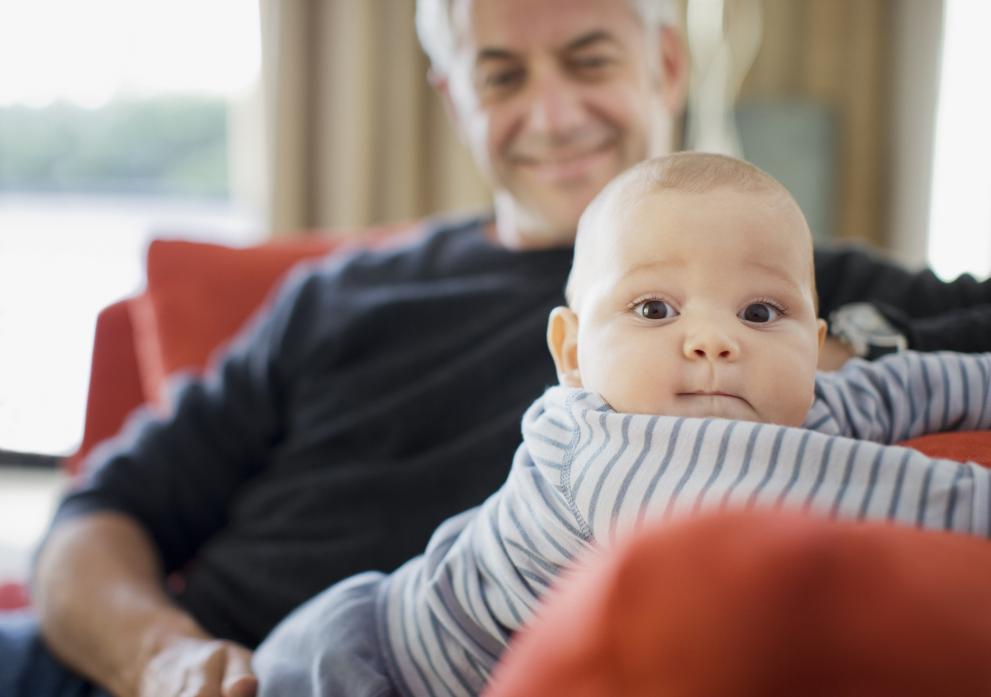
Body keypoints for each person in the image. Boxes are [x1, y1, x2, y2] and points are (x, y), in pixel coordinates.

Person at [1, 1, 990, 695]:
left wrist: (846, 346)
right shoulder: (342, 292)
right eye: (501, 75)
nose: (552, 114)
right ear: (452, 97)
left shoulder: (785, 280)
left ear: (667, 64)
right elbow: (101, 513)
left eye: (589, 58)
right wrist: (160, 659)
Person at [253, 152, 991, 697]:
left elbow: (902, 385)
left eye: (760, 312)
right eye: (653, 309)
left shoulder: (788, 398)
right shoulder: (618, 452)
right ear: (571, 352)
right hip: (360, 666)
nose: (713, 340)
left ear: (813, 340)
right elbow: (890, 496)